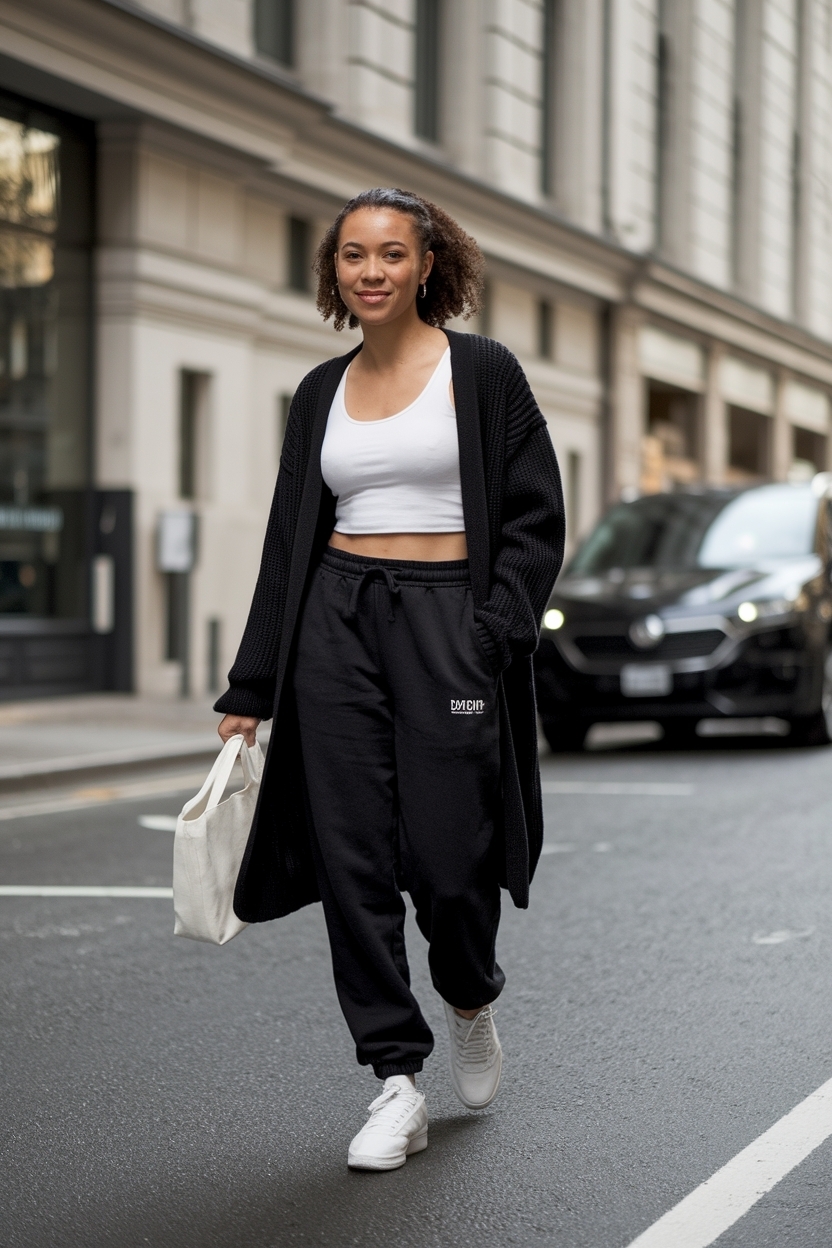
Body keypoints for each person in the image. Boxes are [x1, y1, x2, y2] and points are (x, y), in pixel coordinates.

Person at [214, 187, 564, 1170]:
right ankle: (395, 1079)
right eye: (352, 255)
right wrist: (252, 685)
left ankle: (468, 994)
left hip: (451, 622)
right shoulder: (318, 391)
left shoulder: (483, 373)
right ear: (334, 271)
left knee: (451, 856)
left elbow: (536, 515)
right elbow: (289, 541)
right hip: (336, 622)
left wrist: (493, 631)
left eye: (391, 254)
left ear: (427, 266)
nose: (371, 271)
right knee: (352, 856)